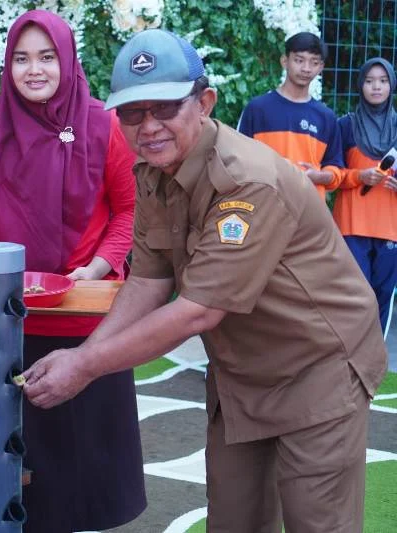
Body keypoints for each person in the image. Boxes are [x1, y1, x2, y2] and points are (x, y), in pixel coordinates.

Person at [22, 28, 387, 532]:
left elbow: (199, 309)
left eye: (165, 108)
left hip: (318, 367)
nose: (148, 126)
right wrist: (87, 358)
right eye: (132, 113)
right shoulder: (153, 173)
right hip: (242, 372)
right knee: (234, 523)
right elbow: (149, 281)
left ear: (204, 102)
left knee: (317, 524)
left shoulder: (246, 180)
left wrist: (84, 365)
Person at [0, 10, 146, 533]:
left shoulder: (105, 126)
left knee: (75, 482)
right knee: (0, 472)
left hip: (83, 322)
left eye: (46, 57)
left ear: (68, 60)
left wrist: (99, 267)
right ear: (6, 64)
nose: (33, 69)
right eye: (21, 58)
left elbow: (130, 210)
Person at [238, 31, 344, 198]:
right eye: (299, 60)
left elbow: (336, 169)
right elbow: (238, 159)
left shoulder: (326, 117)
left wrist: (319, 176)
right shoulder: (257, 108)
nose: (306, 68)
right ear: (284, 61)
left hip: (308, 210)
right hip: (264, 205)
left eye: (314, 62)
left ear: (321, 67)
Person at [333, 57, 397, 333]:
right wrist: (360, 176)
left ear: (392, 85)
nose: (376, 87)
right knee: (352, 295)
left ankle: (373, 359)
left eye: (383, 81)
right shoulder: (345, 125)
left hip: (390, 227)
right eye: (369, 81)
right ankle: (346, 354)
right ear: (360, 85)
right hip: (351, 224)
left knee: (382, 295)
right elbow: (332, 173)